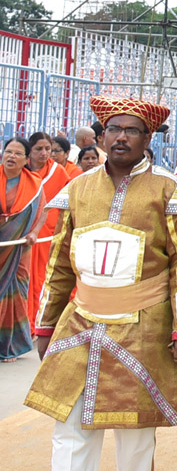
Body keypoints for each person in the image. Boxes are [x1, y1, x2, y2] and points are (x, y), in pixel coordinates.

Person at [26, 96, 177, 471]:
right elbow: (60, 264)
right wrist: (46, 324)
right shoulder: (78, 189)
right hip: (79, 327)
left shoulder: (170, 190)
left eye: (132, 130)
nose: (121, 136)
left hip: (144, 330)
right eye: (113, 129)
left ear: (148, 139)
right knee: (69, 437)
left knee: (136, 439)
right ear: (100, 136)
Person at [0, 137, 46, 361]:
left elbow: (43, 211)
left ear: (26, 159)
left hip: (19, 249)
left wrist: (34, 233)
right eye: (8, 152)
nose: (11, 156)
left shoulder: (35, 184)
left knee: (15, 294)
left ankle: (10, 347)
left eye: (18, 154)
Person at [26, 132, 70, 326]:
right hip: (22, 233)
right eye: (39, 149)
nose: (44, 154)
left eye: (48, 149)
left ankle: (39, 319)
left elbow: (66, 202)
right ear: (30, 150)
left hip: (47, 233)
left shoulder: (58, 172)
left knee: (43, 277)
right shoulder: (22, 171)